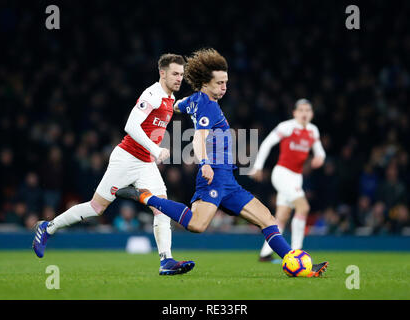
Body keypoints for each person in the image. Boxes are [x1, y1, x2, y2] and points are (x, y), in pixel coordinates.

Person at [115, 48, 328, 277]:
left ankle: (296, 264)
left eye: (226, 82)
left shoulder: (196, 99)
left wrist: (173, 105)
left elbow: (178, 105)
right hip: (214, 176)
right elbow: (199, 136)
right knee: (197, 225)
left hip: (229, 180)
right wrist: (204, 162)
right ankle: (144, 196)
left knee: (267, 219)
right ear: (206, 83)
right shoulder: (206, 104)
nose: (224, 87)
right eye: (219, 83)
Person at [32, 54, 195, 276]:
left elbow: (170, 111)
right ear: (162, 73)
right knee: (96, 208)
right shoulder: (152, 95)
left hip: (145, 163)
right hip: (127, 159)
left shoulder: (169, 98)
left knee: (162, 208)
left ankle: (166, 260)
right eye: (175, 74)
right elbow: (131, 125)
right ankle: (47, 228)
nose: (179, 78)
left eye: (182, 75)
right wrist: (156, 149)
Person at [250, 99, 326, 262]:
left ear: (311, 114)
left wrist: (320, 158)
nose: (304, 113)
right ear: (295, 113)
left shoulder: (313, 130)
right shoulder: (287, 127)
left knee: (282, 216)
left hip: (296, 177)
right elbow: (267, 143)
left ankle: (265, 254)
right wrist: (258, 166)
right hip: (282, 174)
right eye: (301, 110)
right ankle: (297, 252)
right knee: (303, 207)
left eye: (307, 110)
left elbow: (320, 152)